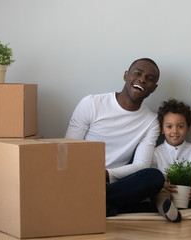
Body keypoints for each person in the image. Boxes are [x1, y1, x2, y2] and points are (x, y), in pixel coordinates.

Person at [65, 58, 165, 216]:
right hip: (81, 177)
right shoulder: (91, 103)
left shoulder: (151, 121)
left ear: (154, 88)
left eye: (150, 79)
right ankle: (110, 207)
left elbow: (141, 165)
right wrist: (88, 174)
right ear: (126, 75)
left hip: (114, 183)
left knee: (155, 177)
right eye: (137, 73)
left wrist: (105, 174)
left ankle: (93, 204)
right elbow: (68, 149)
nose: (142, 79)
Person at [151, 98, 191, 222]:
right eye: (169, 126)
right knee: (160, 195)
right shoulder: (156, 152)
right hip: (168, 194)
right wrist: (163, 184)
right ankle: (169, 212)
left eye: (180, 126)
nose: (174, 131)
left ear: (187, 128)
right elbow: (152, 175)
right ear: (162, 129)